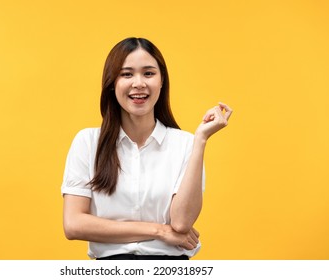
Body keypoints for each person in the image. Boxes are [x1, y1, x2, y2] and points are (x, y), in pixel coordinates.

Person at [61, 37, 233, 260]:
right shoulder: (87, 142)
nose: (139, 83)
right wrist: (159, 231)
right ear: (112, 82)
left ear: (162, 81)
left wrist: (200, 139)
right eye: (127, 74)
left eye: (149, 73)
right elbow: (74, 224)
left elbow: (181, 223)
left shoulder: (185, 144)